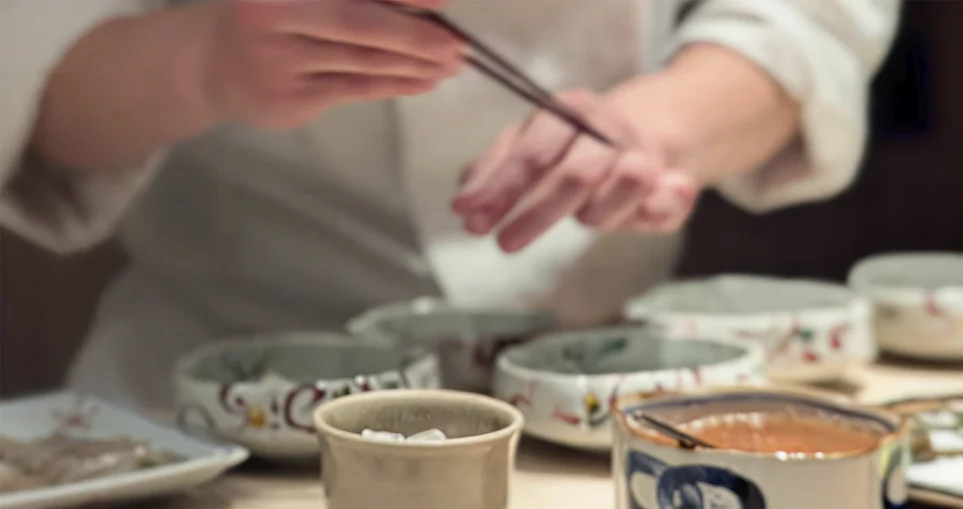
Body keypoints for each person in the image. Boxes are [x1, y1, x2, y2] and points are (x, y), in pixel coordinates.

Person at [0, 0, 902, 411]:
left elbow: (812, 15)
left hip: (606, 403)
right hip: (205, 412)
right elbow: (29, 65)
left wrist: (661, 125)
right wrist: (199, 59)